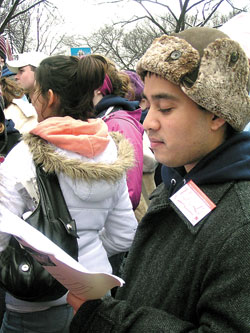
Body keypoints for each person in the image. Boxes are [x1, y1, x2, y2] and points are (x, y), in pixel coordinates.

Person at [67, 27, 250, 332]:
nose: (147, 121)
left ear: (217, 114)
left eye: (165, 108)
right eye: (148, 104)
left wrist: (107, 320)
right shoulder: (178, 180)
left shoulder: (242, 224)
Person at [0, 55, 137, 333]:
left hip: (36, 301)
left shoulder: (25, 155)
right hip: (96, 299)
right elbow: (125, 233)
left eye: (35, 91)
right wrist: (85, 250)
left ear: (49, 97)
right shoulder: (112, 151)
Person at [88, 55, 144, 215]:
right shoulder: (101, 118)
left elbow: (130, 192)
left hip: (118, 221)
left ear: (97, 87)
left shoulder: (119, 123)